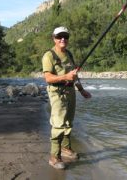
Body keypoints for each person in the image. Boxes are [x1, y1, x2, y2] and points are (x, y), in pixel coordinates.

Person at [42, 26, 92, 169]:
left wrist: (82, 90)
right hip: (57, 93)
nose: (63, 39)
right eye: (59, 36)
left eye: (65, 36)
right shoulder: (49, 56)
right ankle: (54, 157)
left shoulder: (69, 54)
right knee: (58, 124)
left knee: (69, 122)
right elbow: (48, 78)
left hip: (71, 92)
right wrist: (65, 76)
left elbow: (74, 76)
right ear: (54, 38)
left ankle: (66, 149)